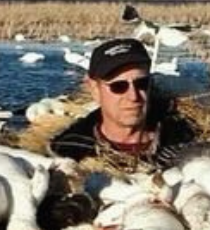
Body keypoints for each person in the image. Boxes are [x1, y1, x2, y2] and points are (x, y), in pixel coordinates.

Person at [50, 38, 199, 166]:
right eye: (118, 86)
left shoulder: (189, 139)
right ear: (94, 88)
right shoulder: (69, 152)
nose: (133, 96)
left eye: (141, 83)